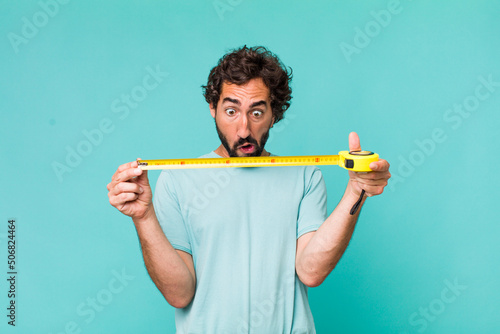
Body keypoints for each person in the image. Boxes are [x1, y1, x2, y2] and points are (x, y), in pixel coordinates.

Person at [107, 46, 391, 333]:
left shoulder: (305, 176)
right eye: (231, 111)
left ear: (274, 114)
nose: (243, 129)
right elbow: (178, 294)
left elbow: (311, 271)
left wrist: (357, 190)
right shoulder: (177, 180)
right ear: (212, 108)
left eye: (256, 112)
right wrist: (143, 218)